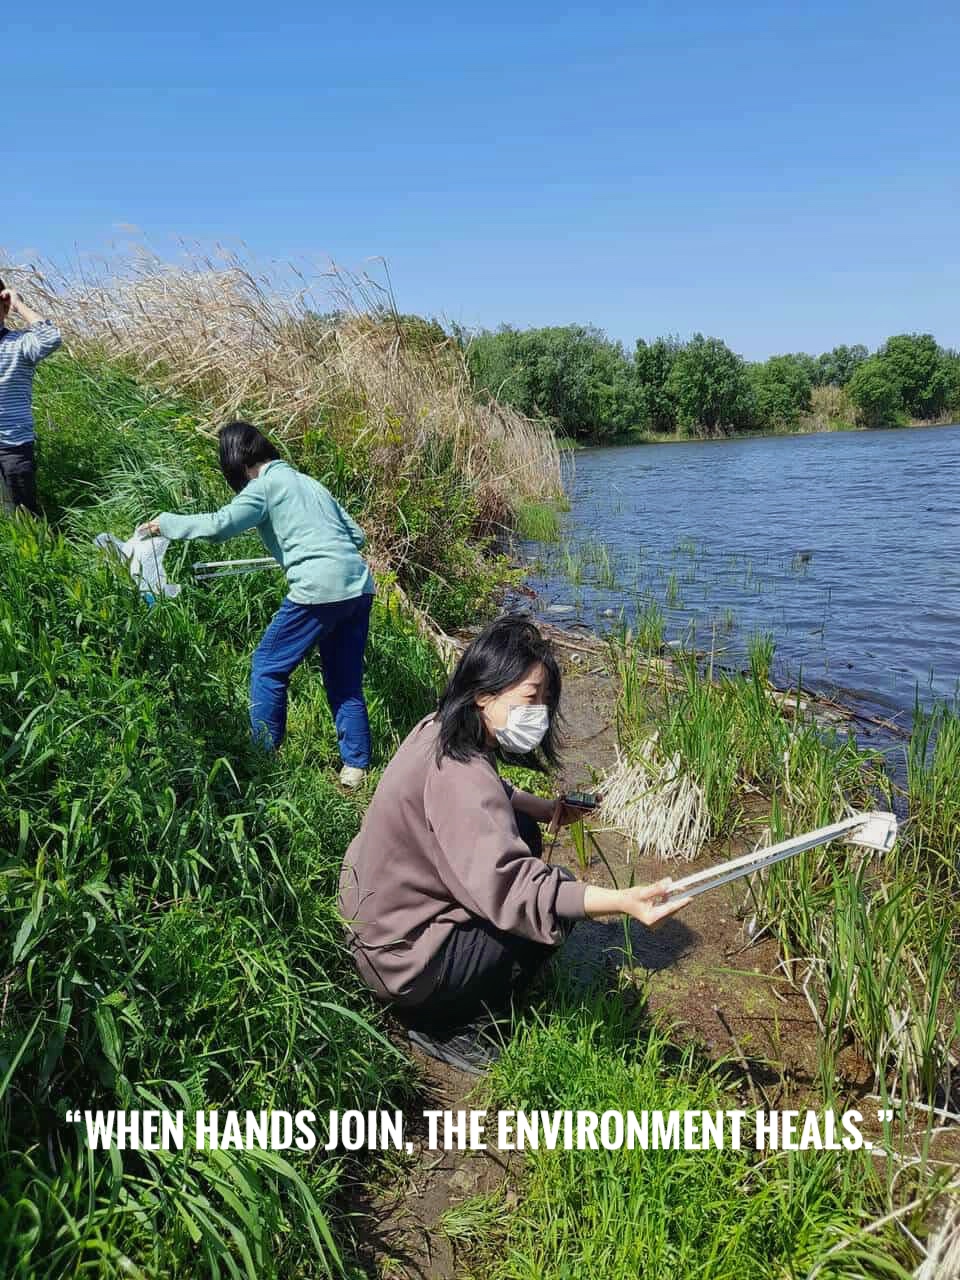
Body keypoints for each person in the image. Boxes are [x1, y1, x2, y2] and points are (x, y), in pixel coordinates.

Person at [338, 615, 691, 1074]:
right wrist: (622, 901)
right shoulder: (462, 778)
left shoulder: (440, 729)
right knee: (552, 912)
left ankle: (453, 985)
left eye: (545, 700)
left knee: (522, 827)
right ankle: (445, 1024)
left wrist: (544, 808)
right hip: (402, 966)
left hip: (372, 924)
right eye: (530, 697)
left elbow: (491, 793)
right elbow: (523, 890)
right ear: (484, 693)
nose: (539, 712)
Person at [139, 421, 375, 785]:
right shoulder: (310, 483)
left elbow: (219, 525)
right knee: (344, 679)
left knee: (268, 666)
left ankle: (262, 760)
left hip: (319, 588)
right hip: (358, 586)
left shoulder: (264, 486)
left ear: (238, 461)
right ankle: (356, 767)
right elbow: (356, 536)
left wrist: (164, 524)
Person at [0, 280, 62, 515]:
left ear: (4, 308)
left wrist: (18, 304)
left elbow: (51, 339)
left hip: (13, 446)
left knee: (25, 515)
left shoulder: (20, 344)